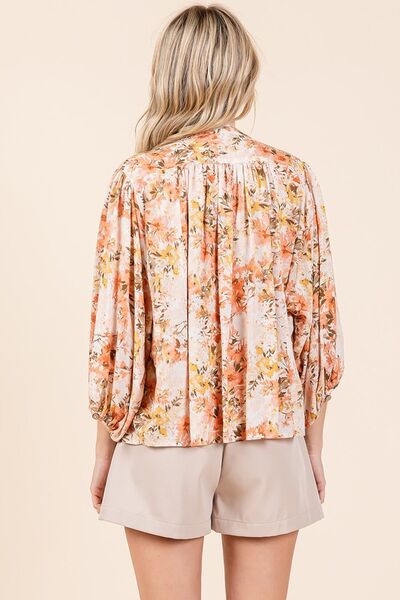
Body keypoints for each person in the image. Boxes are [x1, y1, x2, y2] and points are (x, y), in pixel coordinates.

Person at [88, 4, 344, 599]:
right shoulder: (291, 176)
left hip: (162, 428)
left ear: (169, 74)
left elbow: (118, 330)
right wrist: (313, 442)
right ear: (243, 73)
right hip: (270, 426)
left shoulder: (136, 179)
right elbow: (315, 324)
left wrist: (104, 445)